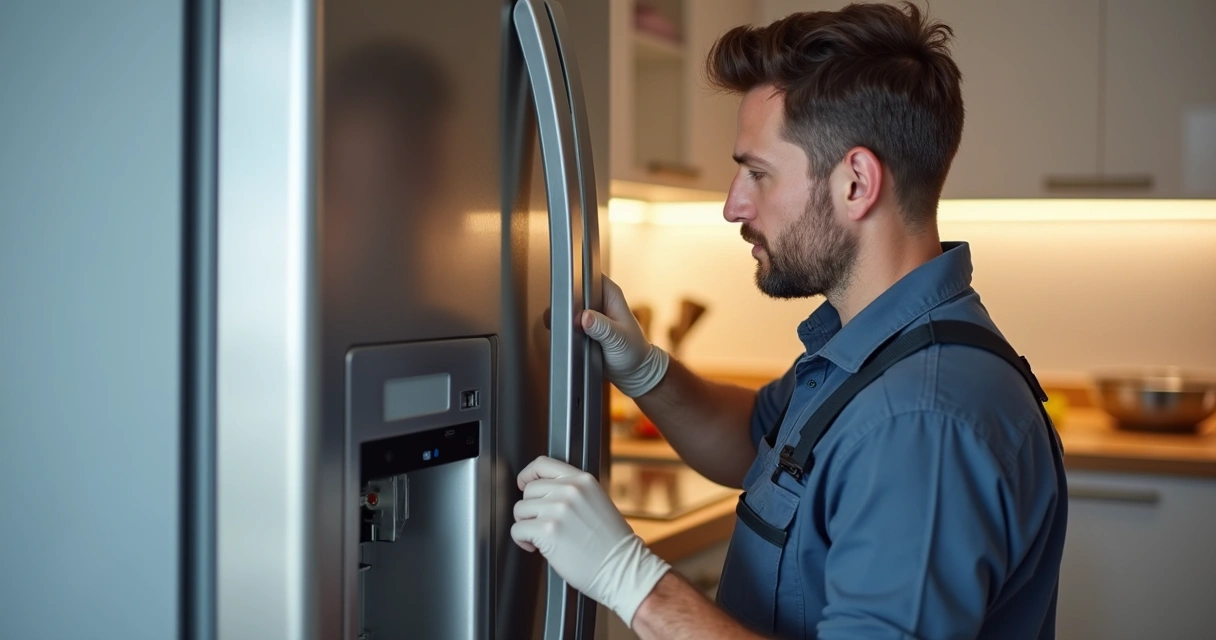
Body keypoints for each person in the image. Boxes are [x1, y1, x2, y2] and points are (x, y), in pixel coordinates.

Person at [509, 3, 1068, 638]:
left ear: (856, 183)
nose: (732, 205)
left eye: (757, 173)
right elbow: (755, 440)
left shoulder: (920, 421)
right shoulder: (870, 351)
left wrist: (633, 582)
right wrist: (646, 373)